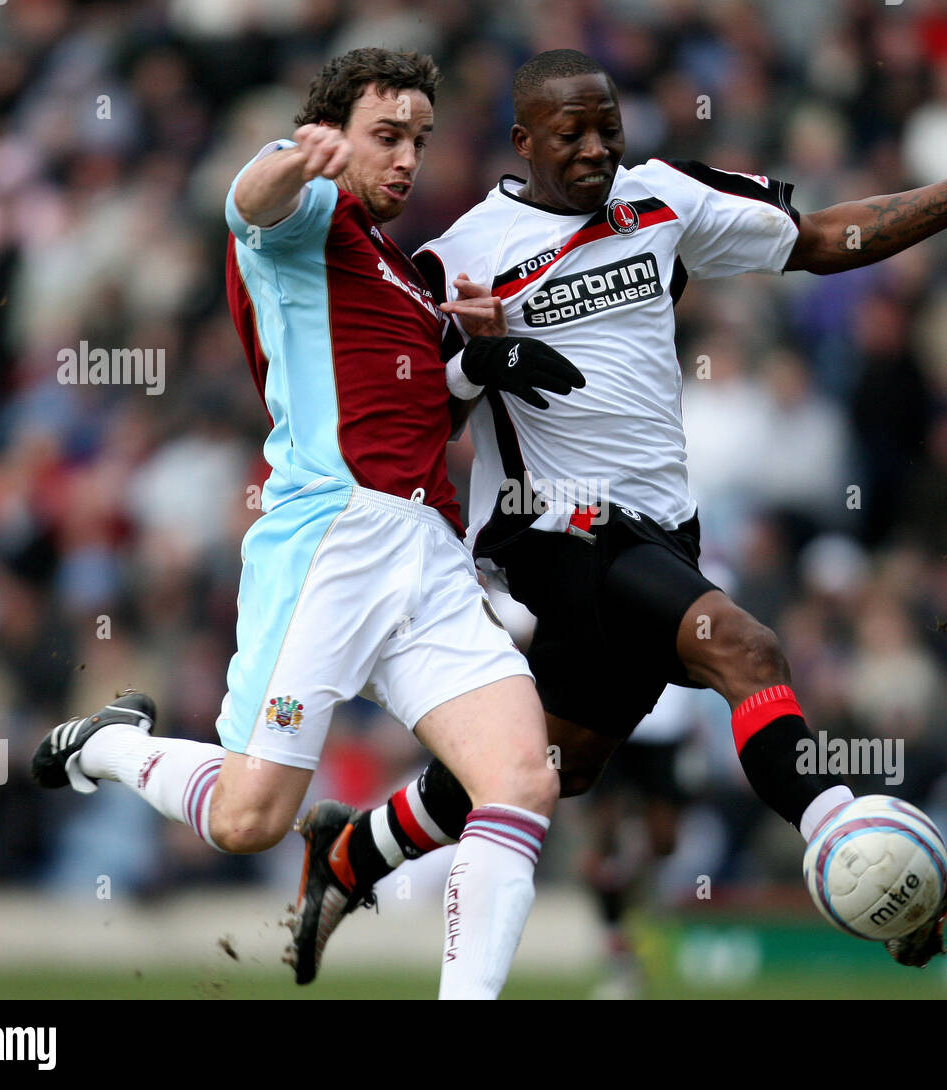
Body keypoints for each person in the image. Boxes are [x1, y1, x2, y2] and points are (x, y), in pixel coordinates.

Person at [299, 48, 947, 977]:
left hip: (658, 529)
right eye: (569, 133)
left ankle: (348, 854)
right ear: (522, 140)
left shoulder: (662, 197)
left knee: (555, 768)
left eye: (607, 128)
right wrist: (472, 362)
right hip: (548, 527)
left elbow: (821, 239)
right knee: (747, 650)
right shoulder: (457, 258)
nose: (593, 149)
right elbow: (417, 419)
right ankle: (845, 843)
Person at [30, 47, 587, 1000]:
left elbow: (404, 404)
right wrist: (300, 153)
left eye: (418, 138)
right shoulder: (312, 214)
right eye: (386, 137)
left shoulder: (407, 275)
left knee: (524, 779)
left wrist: (477, 367)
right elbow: (248, 200)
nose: (407, 158)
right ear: (333, 134)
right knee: (250, 818)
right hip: (332, 546)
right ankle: (105, 745)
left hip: (428, 555)